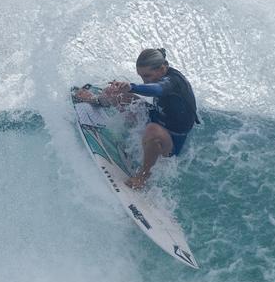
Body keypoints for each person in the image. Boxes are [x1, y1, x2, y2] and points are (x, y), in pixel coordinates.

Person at [76, 48, 199, 189]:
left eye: (147, 76)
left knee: (152, 130)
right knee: (115, 93)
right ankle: (96, 100)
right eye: (141, 76)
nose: (144, 81)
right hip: (156, 116)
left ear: (163, 68)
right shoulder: (160, 73)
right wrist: (123, 89)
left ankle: (143, 176)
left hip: (171, 139)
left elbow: (157, 89)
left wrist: (131, 87)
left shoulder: (173, 82)